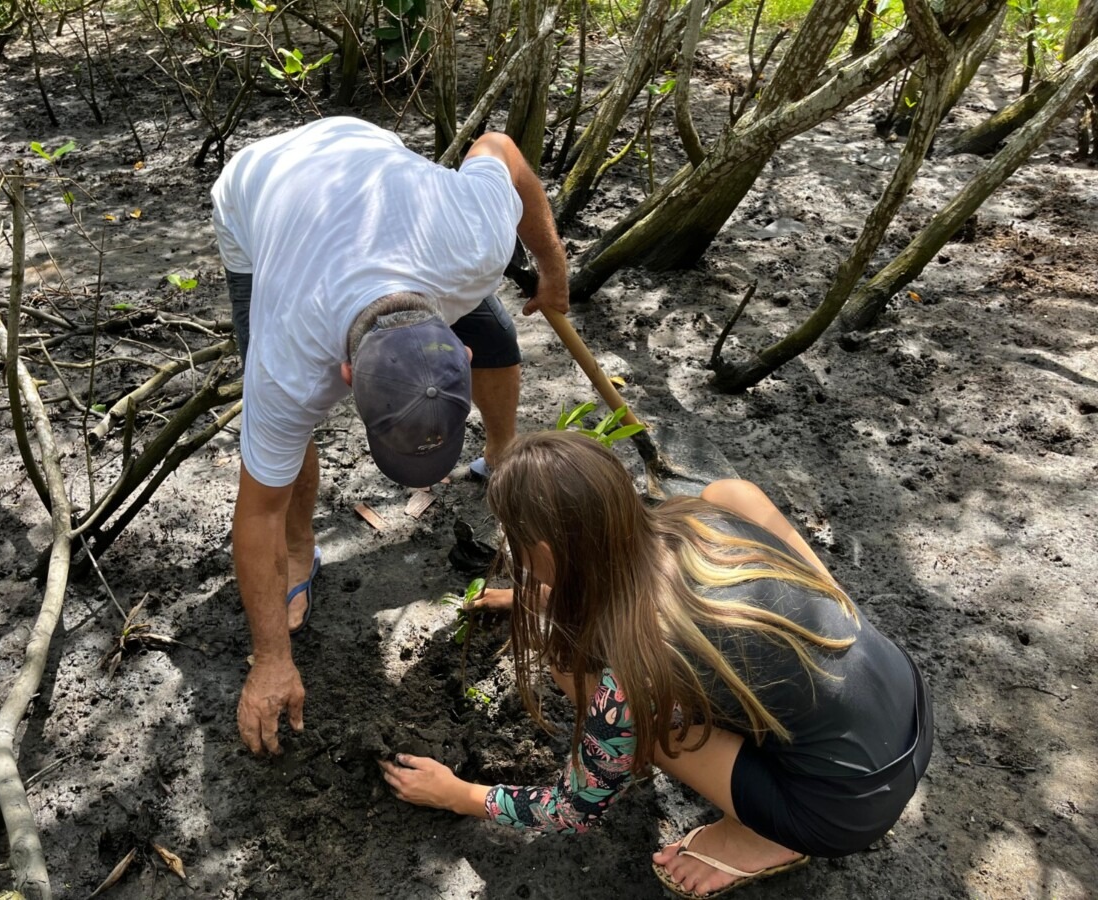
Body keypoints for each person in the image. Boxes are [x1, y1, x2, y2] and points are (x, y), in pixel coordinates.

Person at [379, 431, 933, 899]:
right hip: (907, 708)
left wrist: (459, 795)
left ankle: (763, 839)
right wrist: (541, 597)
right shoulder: (706, 513)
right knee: (733, 509)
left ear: (545, 552)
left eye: (515, 540)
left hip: (845, 807)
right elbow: (622, 571)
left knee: (576, 669)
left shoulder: (637, 672)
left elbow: (575, 806)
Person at [211, 117, 568, 755]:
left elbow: (501, 150)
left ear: (456, 347)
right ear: (345, 379)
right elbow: (254, 511)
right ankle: (302, 553)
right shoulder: (289, 364)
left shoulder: (473, 241)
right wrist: (271, 659)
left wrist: (553, 264)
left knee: (503, 338)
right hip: (258, 191)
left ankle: (501, 456)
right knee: (281, 455)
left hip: (374, 168)